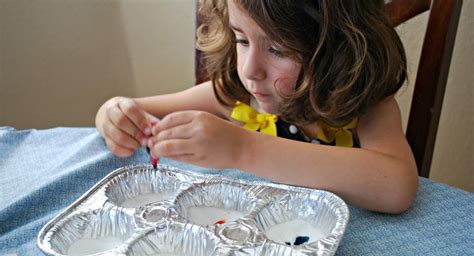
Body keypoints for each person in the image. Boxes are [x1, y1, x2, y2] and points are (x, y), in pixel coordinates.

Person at [95, 0, 418, 214]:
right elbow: (138, 110)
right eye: (242, 40)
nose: (250, 69)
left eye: (277, 49)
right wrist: (116, 113)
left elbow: (397, 188)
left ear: (340, 49)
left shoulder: (367, 106)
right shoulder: (238, 95)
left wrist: (242, 148)